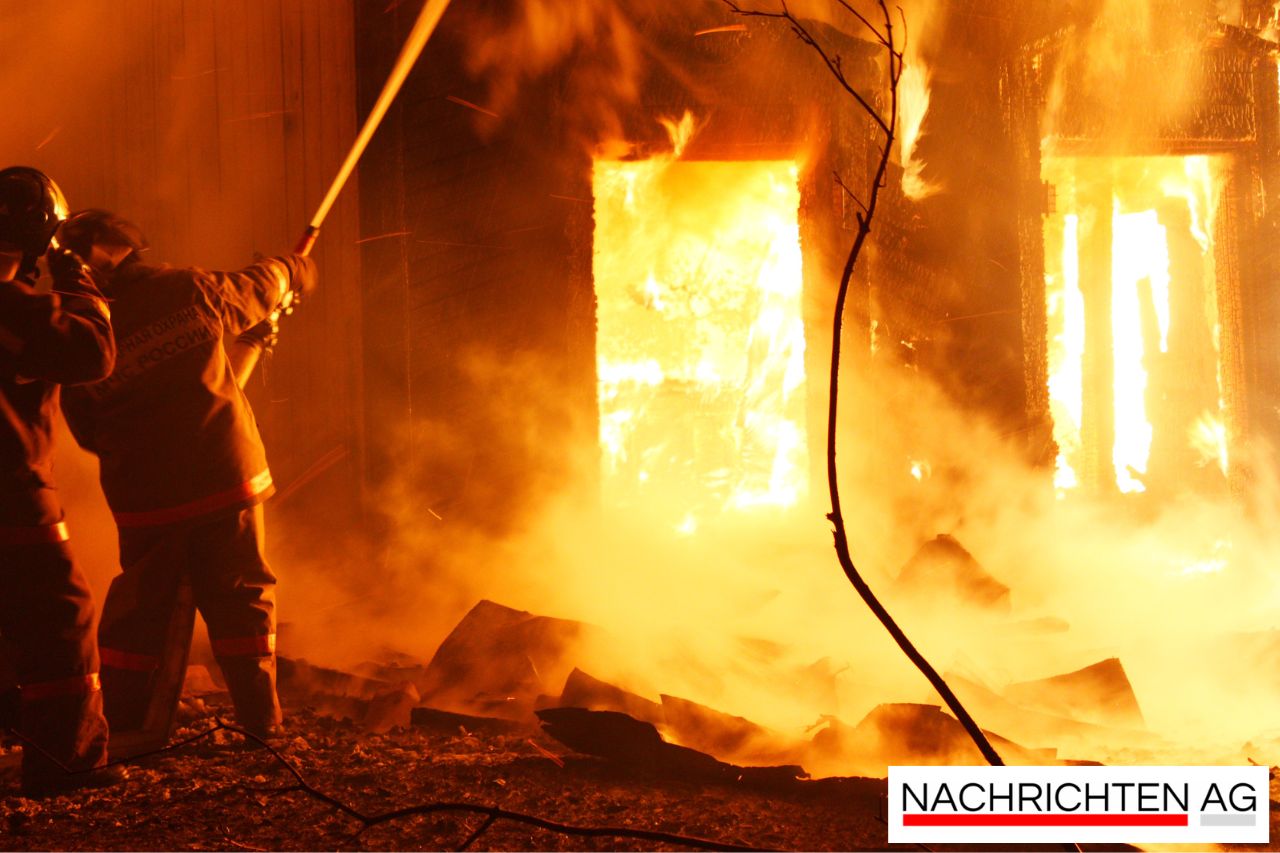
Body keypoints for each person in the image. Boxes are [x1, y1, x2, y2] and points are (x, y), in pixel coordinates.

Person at [57, 209, 317, 742]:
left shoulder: (79, 334)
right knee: (241, 598)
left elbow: (86, 431)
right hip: (224, 481)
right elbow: (257, 286)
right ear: (132, 249)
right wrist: (293, 268)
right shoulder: (187, 290)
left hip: (145, 499)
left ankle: (126, 726)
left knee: (139, 615)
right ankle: (261, 725)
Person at [0, 167, 122, 796]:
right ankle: (69, 766)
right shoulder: (12, 307)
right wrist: (78, 281)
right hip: (11, 494)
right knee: (62, 619)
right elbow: (91, 352)